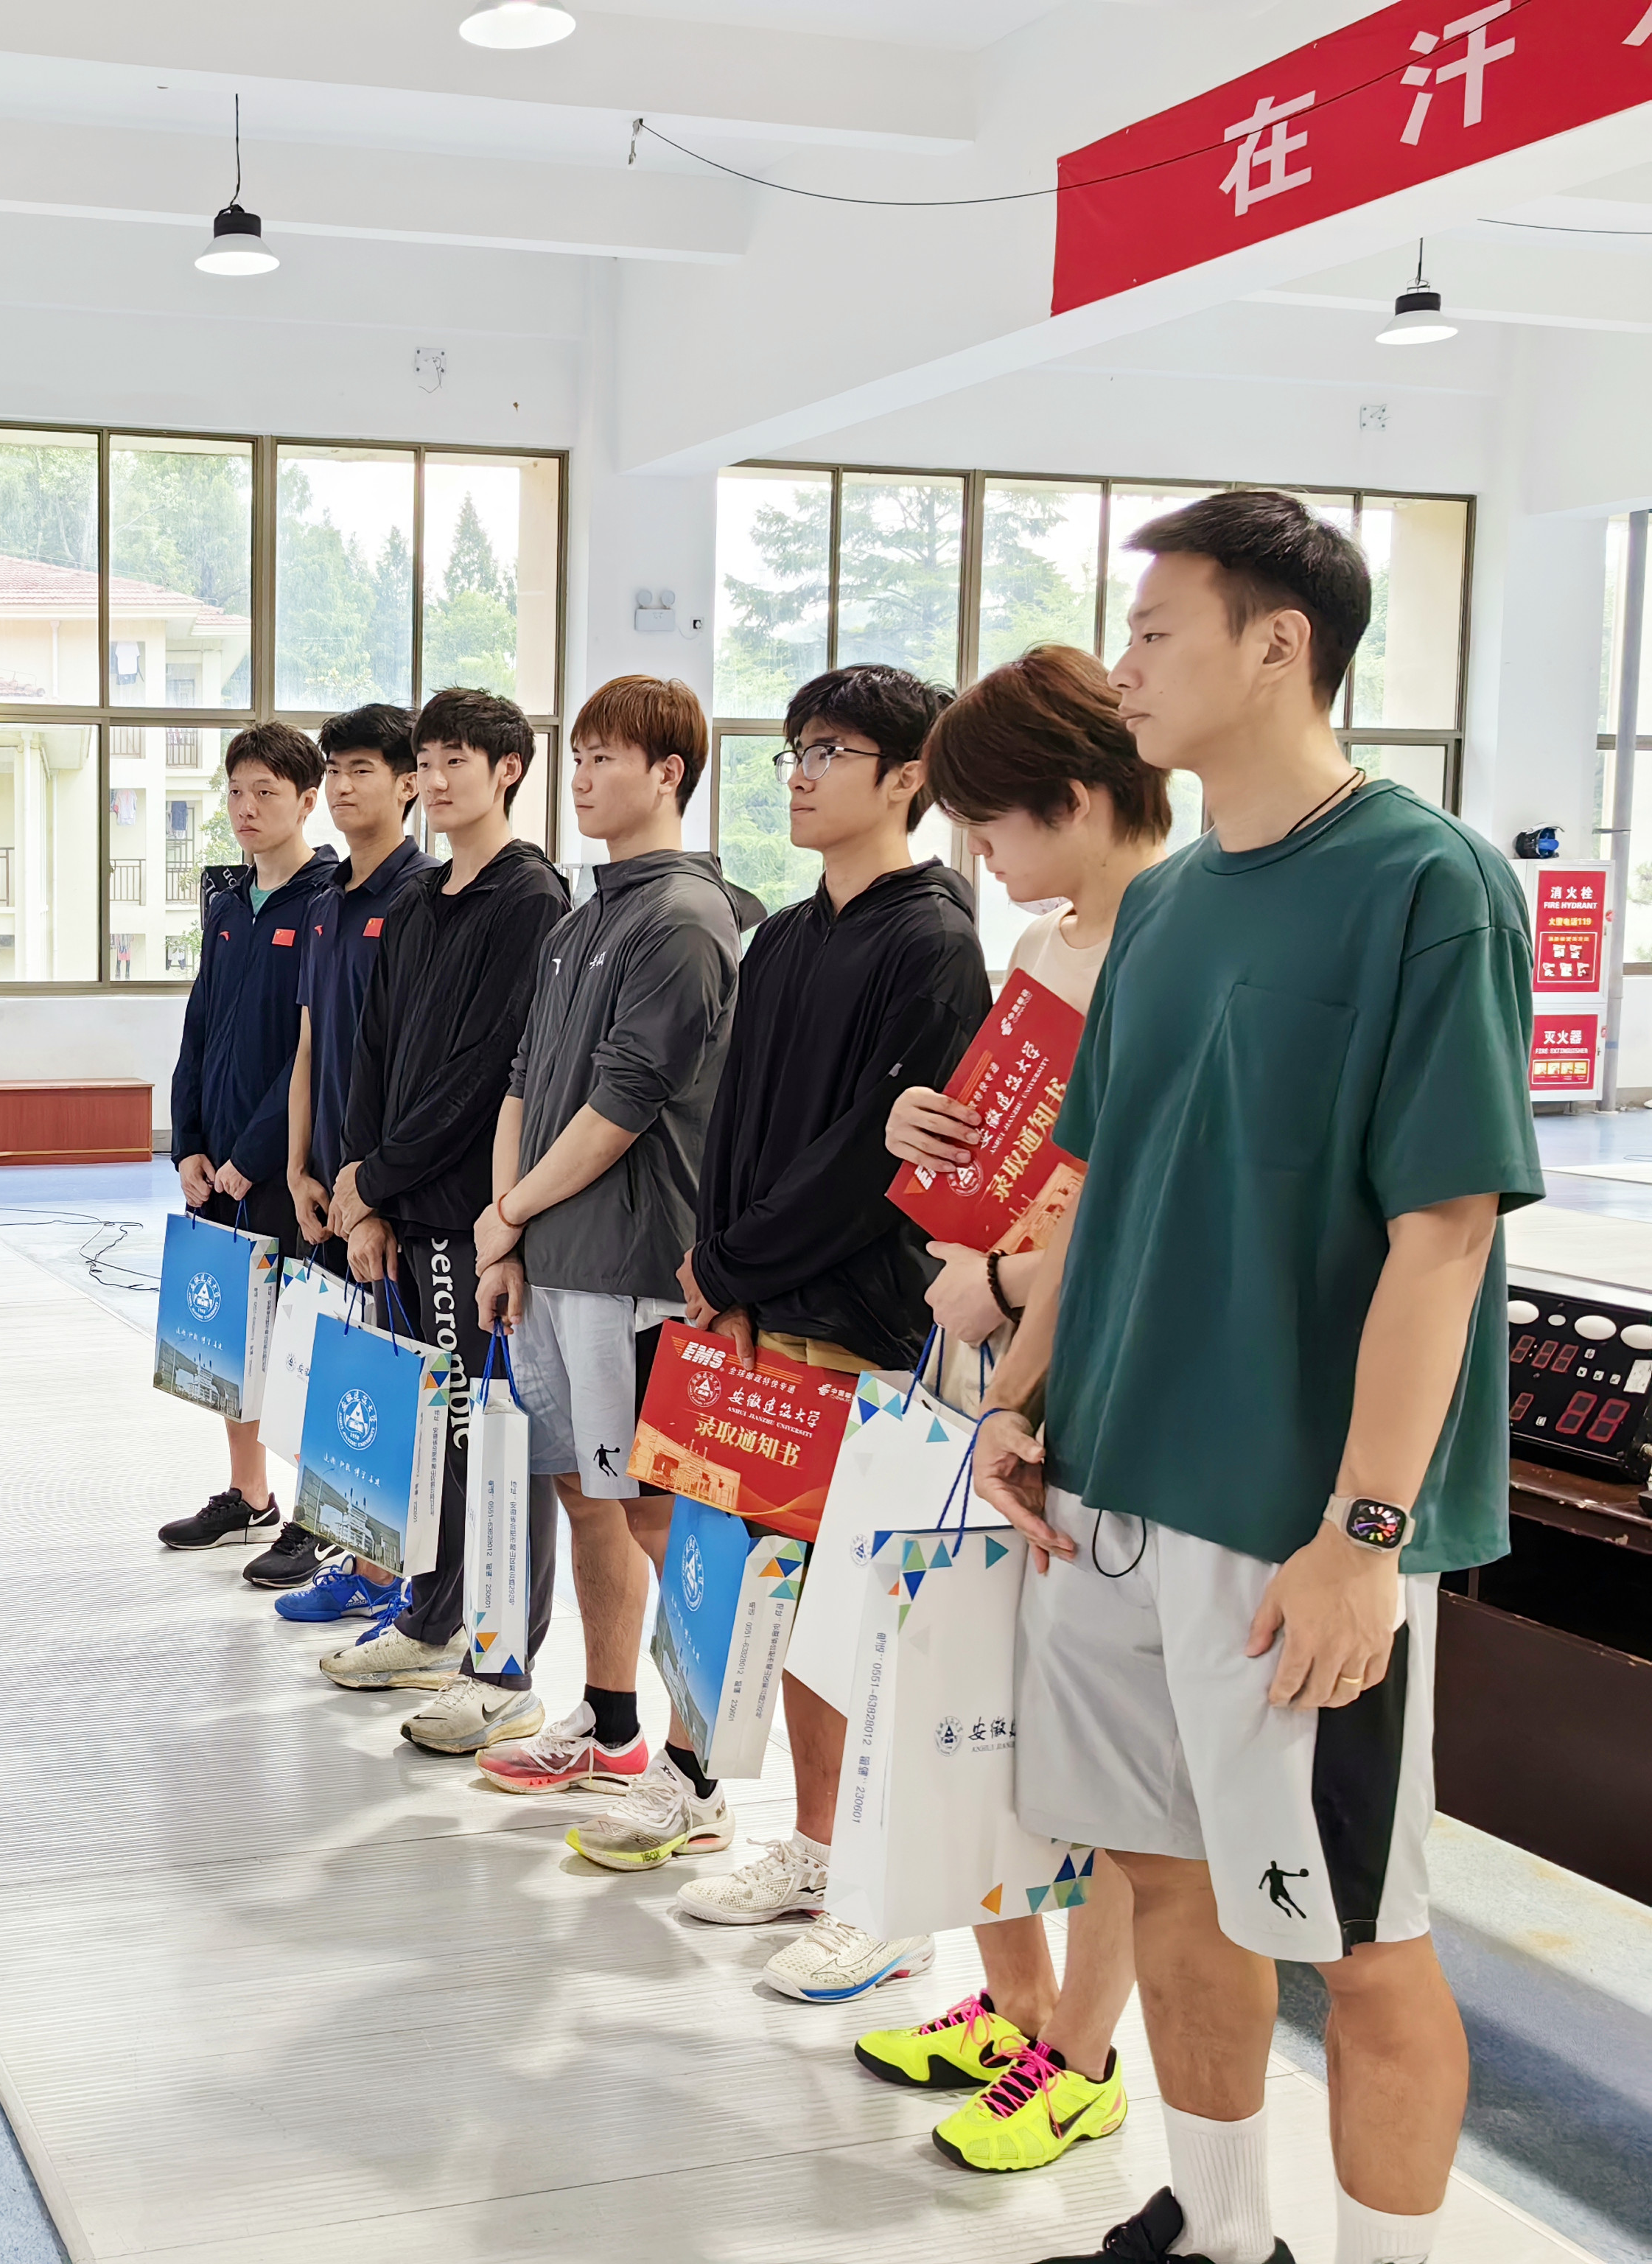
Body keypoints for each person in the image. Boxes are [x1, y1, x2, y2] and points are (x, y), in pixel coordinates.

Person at [978, 492, 1539, 2264]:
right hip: (1109, 1493)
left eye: (1155, 631)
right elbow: (1098, 1188)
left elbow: (1442, 1233)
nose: (1122, 667)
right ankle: (1222, 2232)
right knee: (1163, 1874)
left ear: (1277, 641)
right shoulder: (1161, 906)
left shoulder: (1426, 884)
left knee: (1354, 1935)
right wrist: (1020, 1396)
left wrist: (1364, 1531)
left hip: (1288, 1523)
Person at [855, 643, 1173, 2173]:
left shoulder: (1173, 944)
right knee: (981, 1693)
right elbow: (1024, 1156)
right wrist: (928, 1134)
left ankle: (1081, 2057)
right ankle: (1016, 2006)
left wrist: (1003, 1274)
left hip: (1097, 1377)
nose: (977, 856)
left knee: (1104, 1751)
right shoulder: (1052, 941)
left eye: (989, 823)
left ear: (1072, 796)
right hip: (990, 1362)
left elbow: (1145, 1208)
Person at [665, 663, 990, 2006]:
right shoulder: (786, 934)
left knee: (869, 1620)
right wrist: (716, 1266)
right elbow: (736, 1120)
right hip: (757, 1311)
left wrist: (738, 1260)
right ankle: (813, 1845)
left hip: (862, 1322)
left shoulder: (933, 940)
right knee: (793, 1600)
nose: (799, 773)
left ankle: (885, 1893)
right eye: (794, 749)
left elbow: (877, 1161)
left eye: (833, 751)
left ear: (909, 776)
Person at [452, 675, 740, 1803]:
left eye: (604, 757)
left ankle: (699, 1766)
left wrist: (508, 1212)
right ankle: (611, 1725)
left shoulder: (686, 918)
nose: (580, 777)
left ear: (668, 773)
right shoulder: (580, 922)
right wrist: (505, 1236)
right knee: (588, 1496)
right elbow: (524, 1083)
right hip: (551, 1265)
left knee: (659, 1517)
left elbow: (622, 1107)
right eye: (576, 755)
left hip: (633, 1273)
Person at [315, 686, 571, 1754]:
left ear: (508, 768)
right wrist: (362, 1190)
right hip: (402, 1210)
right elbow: (371, 1051)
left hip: (475, 1222)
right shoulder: (418, 899)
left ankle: (503, 1666)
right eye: (426, 760)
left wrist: (380, 1178)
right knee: (435, 1438)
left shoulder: (532, 897)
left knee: (493, 1439)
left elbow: (486, 1073)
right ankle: (430, 1623)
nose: (436, 778)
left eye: (458, 759)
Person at [249, 702, 433, 1612]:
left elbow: (410, 1065)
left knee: (398, 1388)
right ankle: (357, 1566)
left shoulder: (423, 899)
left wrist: (374, 1196)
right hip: (322, 1183)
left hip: (386, 1192)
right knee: (342, 1376)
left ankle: (397, 1584)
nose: (344, 786)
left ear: (408, 785)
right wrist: (295, 1168)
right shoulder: (325, 906)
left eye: (364, 769)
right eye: (336, 769)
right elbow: (309, 1044)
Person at [159, 722, 340, 1552]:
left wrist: (251, 1157)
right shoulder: (229, 905)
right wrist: (189, 1144)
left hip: (283, 1165)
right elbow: (199, 1029)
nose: (246, 807)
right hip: (216, 1163)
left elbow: (311, 1053)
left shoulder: (327, 905)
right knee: (230, 1337)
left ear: (307, 801)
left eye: (266, 792)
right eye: (236, 791)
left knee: (299, 1343)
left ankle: (312, 1516)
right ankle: (248, 1494)